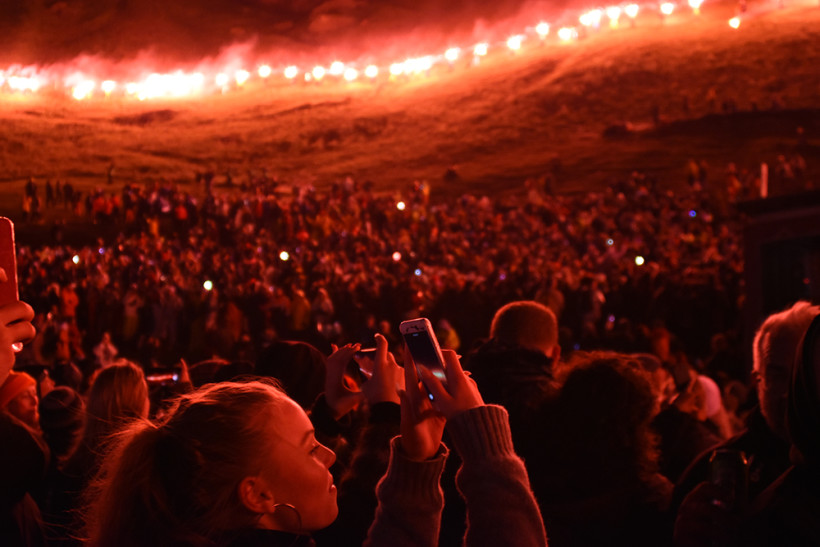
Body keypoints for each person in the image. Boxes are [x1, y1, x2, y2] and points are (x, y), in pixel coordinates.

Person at [673, 301, 819, 512]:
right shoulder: (712, 471)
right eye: (778, 375)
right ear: (756, 381)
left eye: (803, 373)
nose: (791, 391)